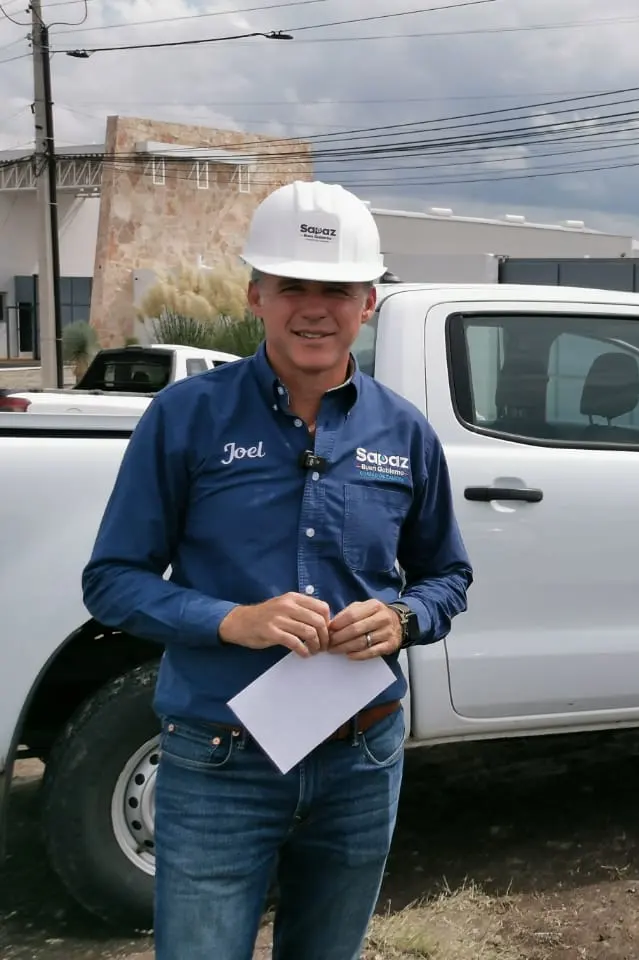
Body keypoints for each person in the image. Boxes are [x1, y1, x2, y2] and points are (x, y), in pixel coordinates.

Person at [81, 180, 474, 960]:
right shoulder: (186, 418)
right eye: (293, 285)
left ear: (368, 302)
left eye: (337, 289)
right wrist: (234, 620)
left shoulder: (405, 431)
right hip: (217, 757)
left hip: (362, 757)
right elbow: (111, 580)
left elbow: (447, 578)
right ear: (256, 294)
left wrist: (401, 618)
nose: (315, 308)